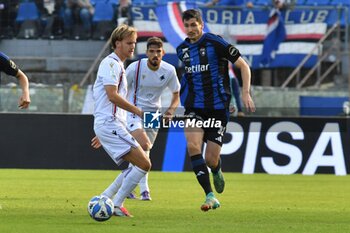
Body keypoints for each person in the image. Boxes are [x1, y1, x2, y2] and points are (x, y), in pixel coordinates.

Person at [176, 9, 255, 212]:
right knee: (193, 146)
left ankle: (217, 170)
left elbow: (244, 66)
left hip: (218, 109)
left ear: (202, 25)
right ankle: (209, 195)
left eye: (194, 25)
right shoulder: (181, 50)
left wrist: (245, 93)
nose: (191, 29)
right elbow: (187, 79)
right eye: (187, 25)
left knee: (211, 159)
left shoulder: (215, 42)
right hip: (194, 108)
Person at [92, 36, 180, 201]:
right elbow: (120, 93)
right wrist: (111, 125)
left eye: (158, 52)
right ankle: (144, 189)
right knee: (144, 145)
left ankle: (123, 188)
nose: (155, 54)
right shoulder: (135, 68)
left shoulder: (169, 70)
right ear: (146, 53)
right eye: (151, 51)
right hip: (134, 110)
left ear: (163, 53)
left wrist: (171, 111)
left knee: (144, 153)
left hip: (153, 113)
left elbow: (176, 94)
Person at [91, 24, 151, 217]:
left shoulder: (118, 65)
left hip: (111, 124)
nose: (133, 46)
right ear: (117, 43)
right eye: (129, 43)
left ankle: (106, 197)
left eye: (134, 43)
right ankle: (116, 204)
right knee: (144, 164)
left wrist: (103, 131)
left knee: (138, 163)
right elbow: (112, 96)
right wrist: (139, 112)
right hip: (110, 124)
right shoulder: (111, 64)